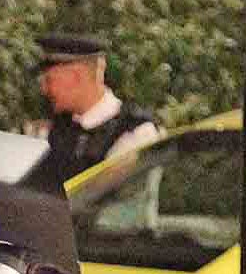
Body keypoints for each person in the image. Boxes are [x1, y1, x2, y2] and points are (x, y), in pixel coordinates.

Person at [30, 32, 162, 182]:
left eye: (49, 80)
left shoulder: (136, 134)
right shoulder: (55, 128)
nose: (44, 90)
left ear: (76, 76)